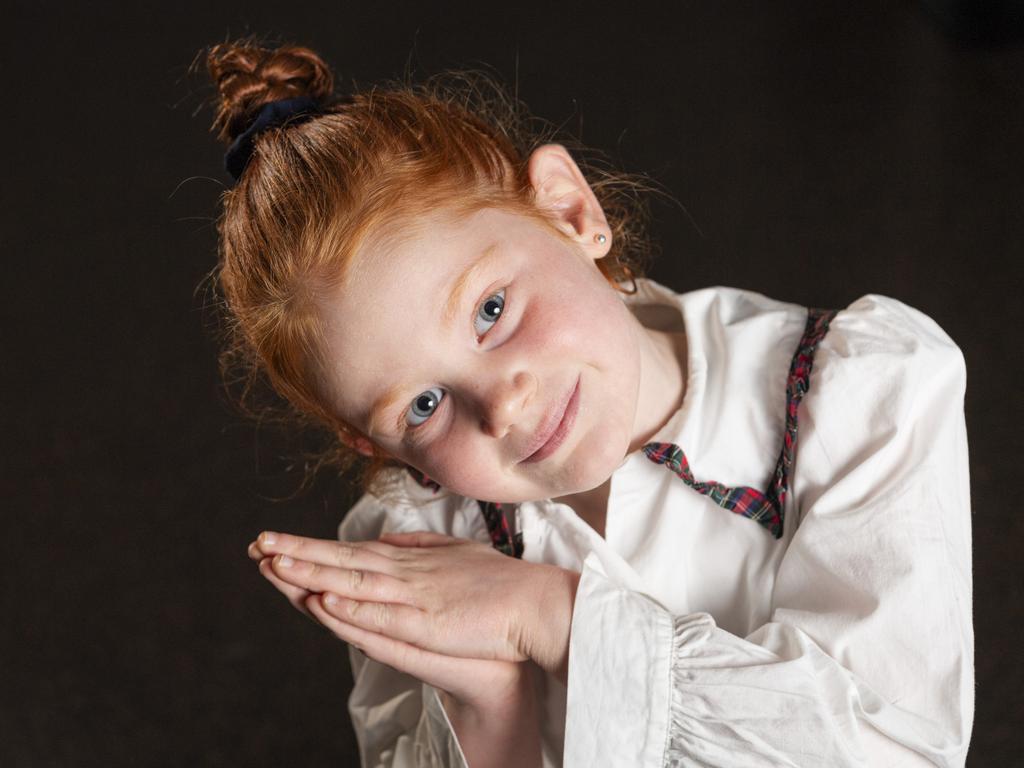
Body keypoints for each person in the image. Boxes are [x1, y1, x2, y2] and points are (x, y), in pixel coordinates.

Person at [203, 38, 975, 767]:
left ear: (573, 212)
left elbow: (892, 748)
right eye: (424, 404)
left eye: (492, 310)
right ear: (370, 445)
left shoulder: (862, 392)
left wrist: (556, 619)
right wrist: (487, 703)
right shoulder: (415, 542)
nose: (502, 408)